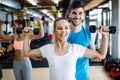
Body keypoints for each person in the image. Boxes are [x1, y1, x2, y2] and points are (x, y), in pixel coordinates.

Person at [23, 17, 108, 80]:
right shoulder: (47, 49)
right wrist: (27, 36)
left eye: (66, 28)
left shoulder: (76, 49)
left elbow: (101, 55)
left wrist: (104, 36)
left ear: (69, 30)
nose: (63, 31)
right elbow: (27, 53)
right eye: (59, 28)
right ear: (54, 31)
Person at [68, 1, 97, 80]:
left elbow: (93, 55)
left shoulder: (89, 33)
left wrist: (104, 35)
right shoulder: (63, 33)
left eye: (80, 13)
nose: (77, 16)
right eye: (74, 13)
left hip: (83, 76)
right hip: (66, 76)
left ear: (83, 15)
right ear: (69, 15)